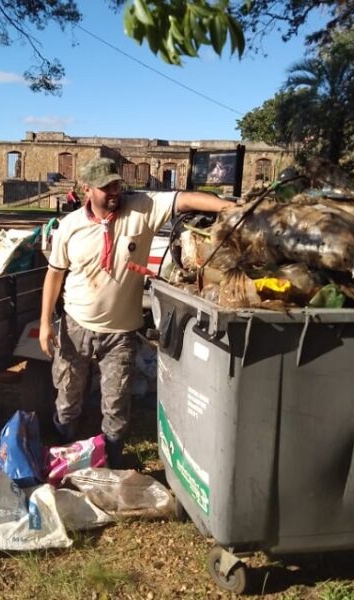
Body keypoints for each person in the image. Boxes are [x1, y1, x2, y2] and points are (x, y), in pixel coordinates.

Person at [38, 157, 234, 468]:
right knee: (68, 393)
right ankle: (64, 452)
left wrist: (229, 208)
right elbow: (55, 274)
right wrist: (46, 323)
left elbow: (184, 199)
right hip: (76, 324)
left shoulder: (141, 208)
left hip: (120, 333)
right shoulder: (70, 226)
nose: (114, 192)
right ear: (87, 189)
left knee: (116, 402)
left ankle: (113, 460)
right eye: (105, 188)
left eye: (116, 185)